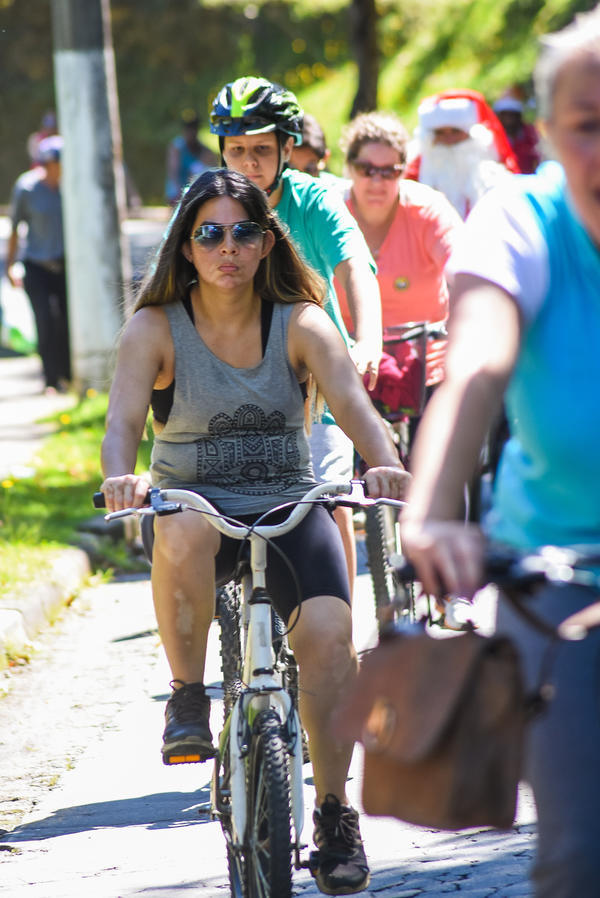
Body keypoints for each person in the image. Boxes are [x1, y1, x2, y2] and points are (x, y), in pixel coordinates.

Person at [100, 168, 408, 895]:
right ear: (186, 247)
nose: (227, 248)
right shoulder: (154, 329)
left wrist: (385, 464)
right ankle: (186, 695)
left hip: (289, 505)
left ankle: (334, 815)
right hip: (199, 510)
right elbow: (121, 424)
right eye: (209, 233)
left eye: (243, 232)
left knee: (330, 640)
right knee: (180, 525)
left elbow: (355, 408)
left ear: (267, 243)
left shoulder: (301, 323)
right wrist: (123, 477)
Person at [400, 8, 600, 896]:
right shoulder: (522, 218)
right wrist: (432, 510)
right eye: (588, 125)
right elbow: (479, 360)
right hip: (561, 572)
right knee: (580, 856)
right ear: (546, 133)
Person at [209, 76, 384, 597]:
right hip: (228, 379)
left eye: (262, 149)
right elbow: (165, 282)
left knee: (327, 503)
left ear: (288, 148)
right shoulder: (205, 205)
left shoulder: (314, 200)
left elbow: (354, 267)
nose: (248, 163)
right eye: (236, 150)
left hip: (314, 384)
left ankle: (339, 626)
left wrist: (367, 341)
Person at [336, 111, 462, 411]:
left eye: (388, 171)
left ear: (403, 171)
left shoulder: (427, 209)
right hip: (346, 368)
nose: (376, 181)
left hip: (426, 369)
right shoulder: (331, 212)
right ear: (349, 167)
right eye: (366, 169)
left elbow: (462, 263)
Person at [6, 135, 71, 393]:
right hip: (36, 266)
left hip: (64, 267)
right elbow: (14, 228)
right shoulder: (27, 188)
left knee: (65, 322)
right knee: (44, 321)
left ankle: (67, 375)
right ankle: (50, 379)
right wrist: (10, 265)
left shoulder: (71, 188)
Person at [405, 89, 519, 219]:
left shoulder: (492, 175)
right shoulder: (415, 173)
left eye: (455, 131)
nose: (449, 138)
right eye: (440, 132)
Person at [165, 109, 218, 206]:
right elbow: (173, 173)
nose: (191, 132)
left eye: (194, 128)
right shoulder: (177, 147)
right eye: (188, 129)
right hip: (177, 192)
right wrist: (179, 193)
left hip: (195, 192)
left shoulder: (205, 151)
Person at [289, 112, 343, 190]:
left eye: (310, 169)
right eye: (291, 170)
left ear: (325, 158)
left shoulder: (337, 192)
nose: (299, 180)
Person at [494, 93, 542, 174]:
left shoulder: (531, 134)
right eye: (505, 115)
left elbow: (538, 157)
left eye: (511, 115)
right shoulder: (494, 136)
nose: (508, 119)